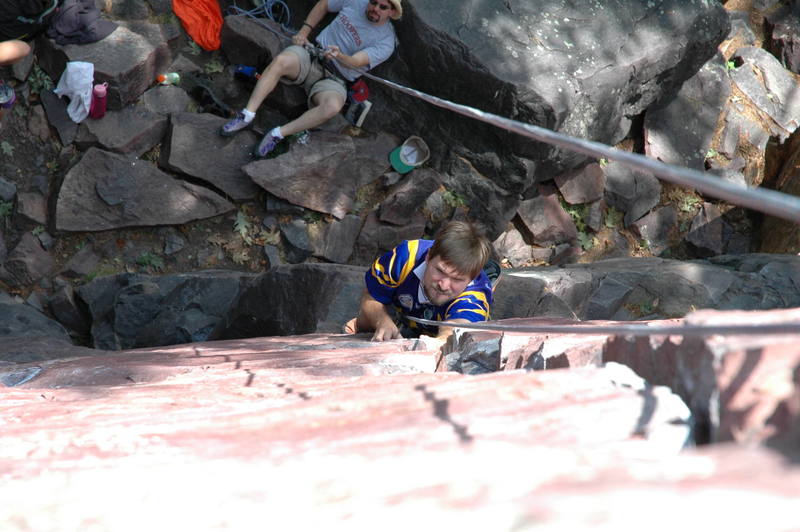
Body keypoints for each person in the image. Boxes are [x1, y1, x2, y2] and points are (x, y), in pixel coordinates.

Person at [219, 0, 401, 158]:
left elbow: (355, 62)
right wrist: (304, 32)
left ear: (392, 12)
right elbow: (324, 4)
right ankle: (247, 114)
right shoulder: (356, 1)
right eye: (374, 2)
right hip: (313, 55)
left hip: (336, 78)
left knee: (332, 107)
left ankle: (278, 134)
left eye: (382, 7)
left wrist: (340, 56)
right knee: (281, 61)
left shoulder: (385, 41)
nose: (375, 8)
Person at [345, 221, 496, 342]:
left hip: (438, 325)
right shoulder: (405, 257)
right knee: (369, 317)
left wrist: (439, 343)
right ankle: (365, 325)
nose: (443, 285)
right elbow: (371, 297)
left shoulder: (477, 294)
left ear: (472, 278)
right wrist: (381, 321)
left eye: (457, 279)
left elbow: (456, 328)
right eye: (440, 271)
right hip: (402, 311)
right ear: (428, 256)